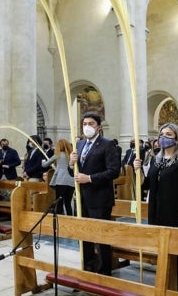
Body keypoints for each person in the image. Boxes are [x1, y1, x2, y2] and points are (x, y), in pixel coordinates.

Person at [133, 122, 178, 292]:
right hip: (158, 211)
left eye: (168, 134)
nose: (164, 137)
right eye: (162, 134)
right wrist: (138, 171)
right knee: (162, 251)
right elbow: (146, 186)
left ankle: (177, 290)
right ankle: (164, 287)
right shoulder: (156, 159)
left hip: (176, 212)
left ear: (177, 138)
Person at [69, 112, 120, 276]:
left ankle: (104, 272)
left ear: (98, 126)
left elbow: (114, 171)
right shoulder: (79, 144)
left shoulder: (107, 144)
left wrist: (90, 178)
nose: (87, 127)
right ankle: (88, 268)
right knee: (85, 236)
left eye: (91, 123)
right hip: (82, 198)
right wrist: (71, 164)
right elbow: (76, 174)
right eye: (84, 124)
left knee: (101, 237)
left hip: (100, 198)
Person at [43, 139, 75, 215]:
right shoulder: (72, 155)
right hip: (71, 181)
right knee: (68, 203)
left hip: (61, 180)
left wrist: (43, 161)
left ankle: (60, 219)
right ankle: (70, 219)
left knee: (59, 202)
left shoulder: (58, 155)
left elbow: (45, 165)